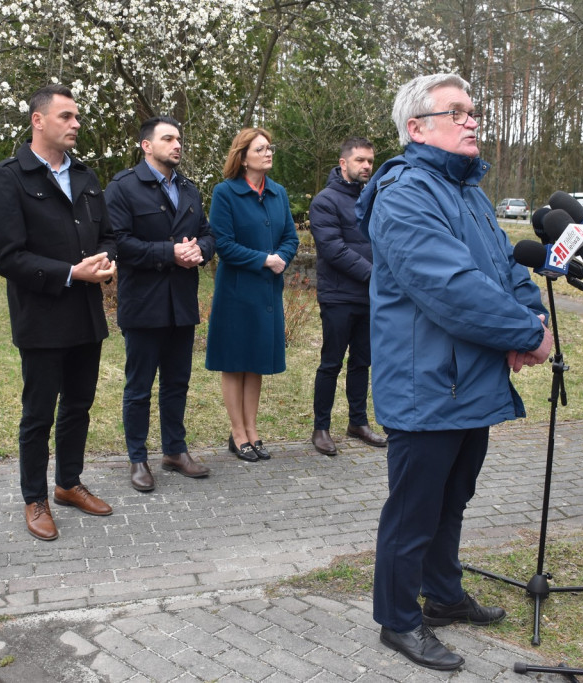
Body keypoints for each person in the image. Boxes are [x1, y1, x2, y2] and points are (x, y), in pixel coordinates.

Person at [356, 74, 553, 671]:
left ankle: (441, 594)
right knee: (414, 510)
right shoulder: (406, 194)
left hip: (470, 382)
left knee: (453, 499)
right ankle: (398, 619)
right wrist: (525, 336)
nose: (473, 121)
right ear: (417, 128)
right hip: (426, 386)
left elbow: (505, 269)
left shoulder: (469, 192)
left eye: (473, 111)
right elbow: (452, 289)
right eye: (457, 112)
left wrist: (532, 315)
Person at [0, 84, 117, 542]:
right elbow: (7, 257)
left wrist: (106, 260)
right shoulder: (9, 178)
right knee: (39, 413)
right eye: (66, 116)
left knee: (78, 405)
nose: (76, 123)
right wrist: (69, 272)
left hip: (86, 315)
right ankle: (33, 498)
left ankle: (67, 483)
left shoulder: (85, 175)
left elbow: (110, 235)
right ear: (38, 121)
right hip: (41, 318)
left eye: (76, 116)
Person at [104, 116, 215, 492]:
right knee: (139, 386)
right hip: (144, 303)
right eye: (168, 138)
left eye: (179, 138)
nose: (177, 144)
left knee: (177, 383)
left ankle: (175, 450)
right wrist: (171, 253)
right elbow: (119, 242)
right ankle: (137, 458)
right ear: (146, 146)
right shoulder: (123, 187)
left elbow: (208, 233)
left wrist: (200, 249)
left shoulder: (189, 189)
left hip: (181, 303)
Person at [204, 128, 299, 462]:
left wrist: (282, 257)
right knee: (234, 363)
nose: (269, 152)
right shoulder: (225, 193)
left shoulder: (278, 193)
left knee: (255, 363)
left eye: (270, 147)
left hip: (267, 293)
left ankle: (252, 430)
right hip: (236, 293)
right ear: (243, 157)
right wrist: (263, 259)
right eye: (261, 149)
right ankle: (237, 432)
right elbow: (223, 245)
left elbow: (291, 236)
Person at [308, 137, 386, 456]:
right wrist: (376, 275)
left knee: (362, 362)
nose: (367, 166)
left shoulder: (375, 198)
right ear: (344, 164)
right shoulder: (324, 201)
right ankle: (321, 427)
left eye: (370, 160)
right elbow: (334, 249)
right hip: (339, 297)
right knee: (331, 363)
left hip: (370, 298)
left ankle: (358, 423)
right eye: (360, 160)